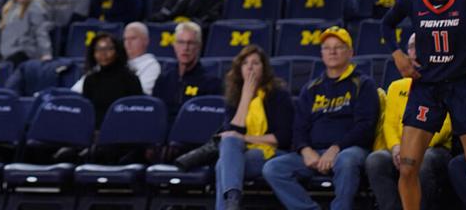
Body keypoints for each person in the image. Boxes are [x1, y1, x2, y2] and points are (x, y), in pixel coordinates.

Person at [380, 0, 466, 210]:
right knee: (407, 168)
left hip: (462, 85)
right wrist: (397, 54)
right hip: (426, 87)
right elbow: (386, 24)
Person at [262, 26, 377, 210]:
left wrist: (336, 148)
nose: (332, 51)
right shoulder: (311, 88)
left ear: (350, 52)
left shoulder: (363, 84)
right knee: (273, 168)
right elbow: (299, 127)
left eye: (338, 47)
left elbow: (365, 126)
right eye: (327, 47)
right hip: (315, 152)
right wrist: (305, 149)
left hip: (349, 150)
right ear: (322, 54)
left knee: (346, 160)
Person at [365, 34, 454, 210]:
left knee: (424, 160)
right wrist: (396, 147)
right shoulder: (396, 87)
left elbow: (446, 126)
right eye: (412, 46)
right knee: (376, 160)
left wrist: (413, 148)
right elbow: (389, 124)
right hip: (400, 149)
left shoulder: (445, 81)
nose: (416, 50)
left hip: (434, 149)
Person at [216, 45, 294, 210]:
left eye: (255, 63)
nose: (250, 67)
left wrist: (245, 138)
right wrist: (246, 97)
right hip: (241, 152)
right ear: (239, 69)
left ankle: (231, 203)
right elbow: (231, 133)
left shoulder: (278, 94)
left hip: (273, 153)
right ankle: (232, 200)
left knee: (222, 165)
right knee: (227, 148)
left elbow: (283, 137)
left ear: (264, 68)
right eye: (245, 63)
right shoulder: (234, 96)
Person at [153, 22, 223, 122]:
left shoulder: (212, 84)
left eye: (191, 43)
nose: (185, 48)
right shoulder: (163, 80)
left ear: (199, 46)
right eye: (181, 42)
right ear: (174, 46)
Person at [75, 32, 143, 127]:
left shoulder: (131, 79)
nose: (103, 53)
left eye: (108, 49)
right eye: (98, 49)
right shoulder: (90, 80)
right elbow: (86, 113)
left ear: (117, 51)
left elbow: (138, 112)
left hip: (125, 131)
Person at [0, 0, 52, 65]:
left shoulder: (35, 8)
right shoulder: (8, 8)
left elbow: (41, 32)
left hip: (26, 54)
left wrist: (46, 53)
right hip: (8, 55)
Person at [122, 22, 161, 95]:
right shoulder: (119, 62)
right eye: (125, 39)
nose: (128, 42)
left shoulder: (151, 65)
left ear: (145, 41)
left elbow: (143, 94)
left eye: (133, 38)